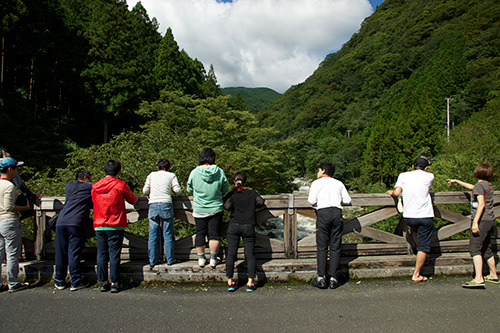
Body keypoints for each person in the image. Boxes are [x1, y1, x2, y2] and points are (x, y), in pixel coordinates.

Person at [447, 164, 498, 288]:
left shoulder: (480, 186)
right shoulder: (487, 185)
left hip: (482, 220)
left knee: (475, 249)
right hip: (490, 220)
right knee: (486, 248)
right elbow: (473, 187)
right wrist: (457, 181)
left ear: (476, 173)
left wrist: (475, 222)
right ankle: (493, 275)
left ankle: (478, 278)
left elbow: (481, 205)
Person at [92, 159, 139, 293]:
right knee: (114, 254)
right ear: (119, 171)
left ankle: (103, 282)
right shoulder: (120, 185)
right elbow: (132, 199)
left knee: (101, 254)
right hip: (115, 223)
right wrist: (137, 196)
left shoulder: (95, 186)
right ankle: (115, 282)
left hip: (99, 223)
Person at [387, 156, 434, 283]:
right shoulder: (430, 176)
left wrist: (390, 192)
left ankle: (420, 253)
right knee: (424, 245)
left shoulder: (403, 176)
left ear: (413, 166)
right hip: (425, 215)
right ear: (426, 168)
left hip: (409, 216)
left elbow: (396, 193)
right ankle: (416, 274)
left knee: (414, 231)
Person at [308, 161, 351, 289]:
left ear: (324, 171)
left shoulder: (316, 183)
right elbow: (348, 200)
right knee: (335, 246)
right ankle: (333, 278)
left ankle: (321, 277)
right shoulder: (338, 183)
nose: (317, 172)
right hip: (337, 213)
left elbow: (311, 201)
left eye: (319, 170)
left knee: (322, 246)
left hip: (323, 213)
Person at [223, 172, 265, 292]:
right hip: (248, 226)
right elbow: (261, 202)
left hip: (234, 225)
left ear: (234, 181)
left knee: (231, 253)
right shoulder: (252, 193)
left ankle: (230, 281)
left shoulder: (232, 194)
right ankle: (250, 282)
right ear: (245, 182)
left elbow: (226, 206)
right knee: (250, 254)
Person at [187, 148, 229, 268]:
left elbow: (189, 189)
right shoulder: (219, 172)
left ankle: (201, 259)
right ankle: (213, 259)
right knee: (214, 235)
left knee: (200, 233)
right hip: (216, 208)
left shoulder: (194, 172)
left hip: (199, 208)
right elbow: (225, 188)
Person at [53, 170, 93, 291]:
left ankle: (59, 280)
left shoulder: (69, 186)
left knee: (60, 253)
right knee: (74, 252)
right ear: (85, 178)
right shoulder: (89, 186)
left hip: (61, 222)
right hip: (76, 222)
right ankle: (75, 281)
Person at [143, 159, 182, 268]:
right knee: (168, 234)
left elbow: (145, 191)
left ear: (157, 167)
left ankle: (152, 260)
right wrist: (181, 194)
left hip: (153, 205)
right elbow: (177, 190)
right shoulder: (171, 175)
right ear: (168, 168)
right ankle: (170, 259)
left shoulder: (151, 175)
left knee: (153, 235)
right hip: (166, 204)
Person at [0, 157, 30, 292]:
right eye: (16, 168)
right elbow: (8, 207)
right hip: (9, 221)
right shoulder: (9, 186)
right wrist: (24, 207)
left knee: (0, 253)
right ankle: (13, 282)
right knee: (12, 253)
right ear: (9, 169)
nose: (17, 171)